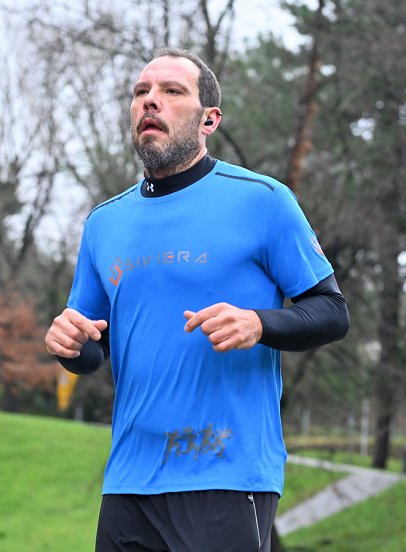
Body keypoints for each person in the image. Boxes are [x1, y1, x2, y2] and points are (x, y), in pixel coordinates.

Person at [44, 47, 349, 552]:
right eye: (141, 92)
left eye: (171, 91)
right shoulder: (104, 223)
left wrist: (260, 323)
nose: (150, 101)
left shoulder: (263, 201)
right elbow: (93, 349)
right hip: (128, 481)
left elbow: (333, 312)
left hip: (226, 474)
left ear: (209, 119)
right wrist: (69, 344)